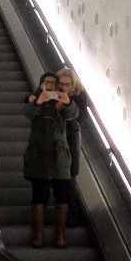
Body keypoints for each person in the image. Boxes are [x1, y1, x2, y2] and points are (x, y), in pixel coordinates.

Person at [23, 72, 79, 248]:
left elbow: (73, 114)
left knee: (62, 195)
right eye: (46, 82)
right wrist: (38, 102)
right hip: (38, 155)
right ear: (41, 85)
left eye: (53, 83)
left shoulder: (61, 102)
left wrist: (67, 102)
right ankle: (38, 233)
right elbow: (28, 112)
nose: (50, 85)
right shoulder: (35, 100)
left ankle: (61, 234)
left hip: (60, 157)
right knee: (39, 194)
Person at [55, 67, 85, 228]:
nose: (63, 87)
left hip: (72, 135)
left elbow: (82, 117)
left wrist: (67, 103)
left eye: (67, 84)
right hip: (55, 136)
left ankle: (71, 216)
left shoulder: (79, 96)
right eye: (60, 84)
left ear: (73, 84)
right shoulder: (52, 93)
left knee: (71, 174)